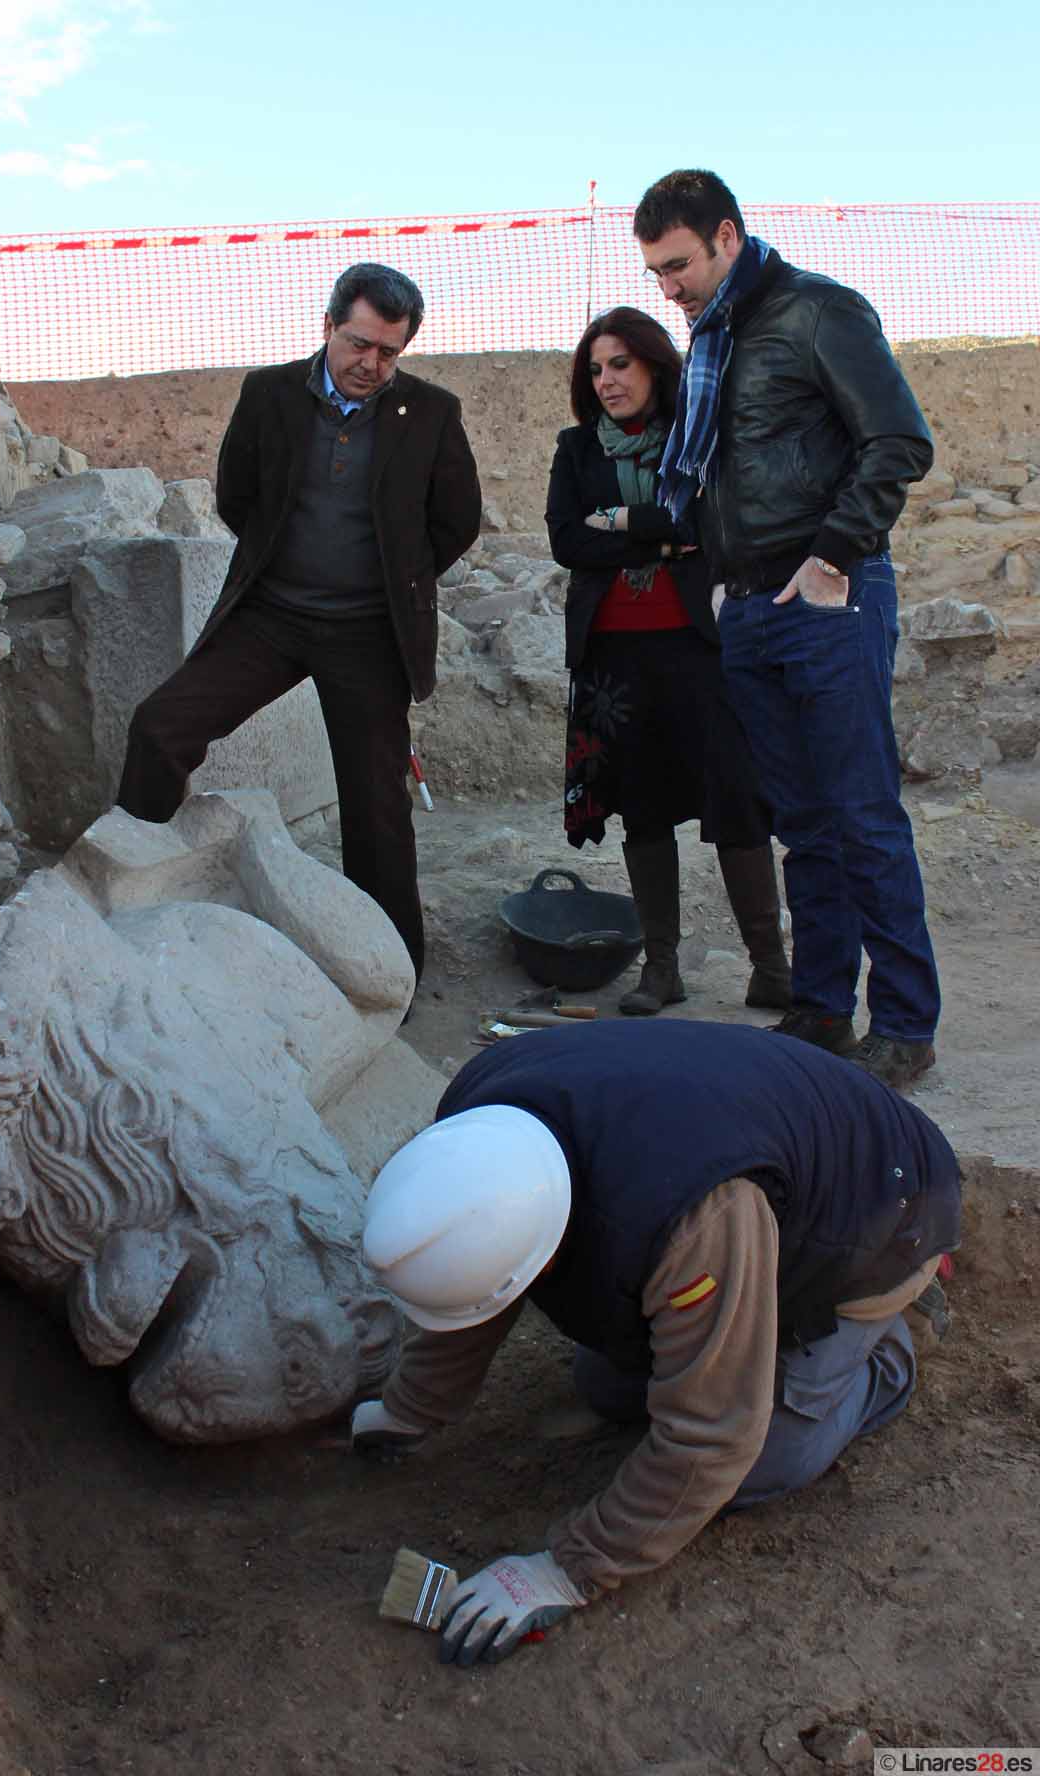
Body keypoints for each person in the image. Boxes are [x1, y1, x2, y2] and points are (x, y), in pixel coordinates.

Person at [352, 1019, 960, 1666]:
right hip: (771, 1179)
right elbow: (476, 1287)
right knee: (607, 1387)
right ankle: (763, 1319)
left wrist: (568, 1567)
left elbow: (713, 1434)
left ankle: (892, 1340)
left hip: (885, 1211)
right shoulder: (478, 1129)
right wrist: (407, 1410)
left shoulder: (694, 1216)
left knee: (753, 1465)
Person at [631, 170, 941, 1091]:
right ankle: (819, 1007)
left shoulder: (819, 312)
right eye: (654, 272)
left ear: (727, 235)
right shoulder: (714, 340)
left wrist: (832, 559)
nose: (669, 288)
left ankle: (906, 1025)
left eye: (678, 264)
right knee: (803, 822)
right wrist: (727, 587)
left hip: (828, 598)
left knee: (862, 814)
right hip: (752, 608)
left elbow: (899, 440)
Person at [116, 263, 482, 983]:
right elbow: (238, 494)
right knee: (161, 728)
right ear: (327, 327)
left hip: (369, 634)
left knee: (377, 806)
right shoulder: (269, 393)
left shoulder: (432, 413)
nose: (370, 364)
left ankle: (392, 973)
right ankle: (132, 898)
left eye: (388, 351)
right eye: (359, 344)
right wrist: (287, 566)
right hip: (271, 617)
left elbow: (456, 520)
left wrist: (393, 580)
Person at [546, 306, 789, 1015]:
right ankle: (662, 969)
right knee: (642, 807)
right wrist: (656, 539)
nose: (607, 381)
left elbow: (708, 528)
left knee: (736, 798)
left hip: (699, 644)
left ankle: (771, 967)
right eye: (595, 369)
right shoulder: (577, 448)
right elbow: (567, 539)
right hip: (613, 656)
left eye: (620, 363)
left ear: (655, 363)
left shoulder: (700, 439)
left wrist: (620, 523)